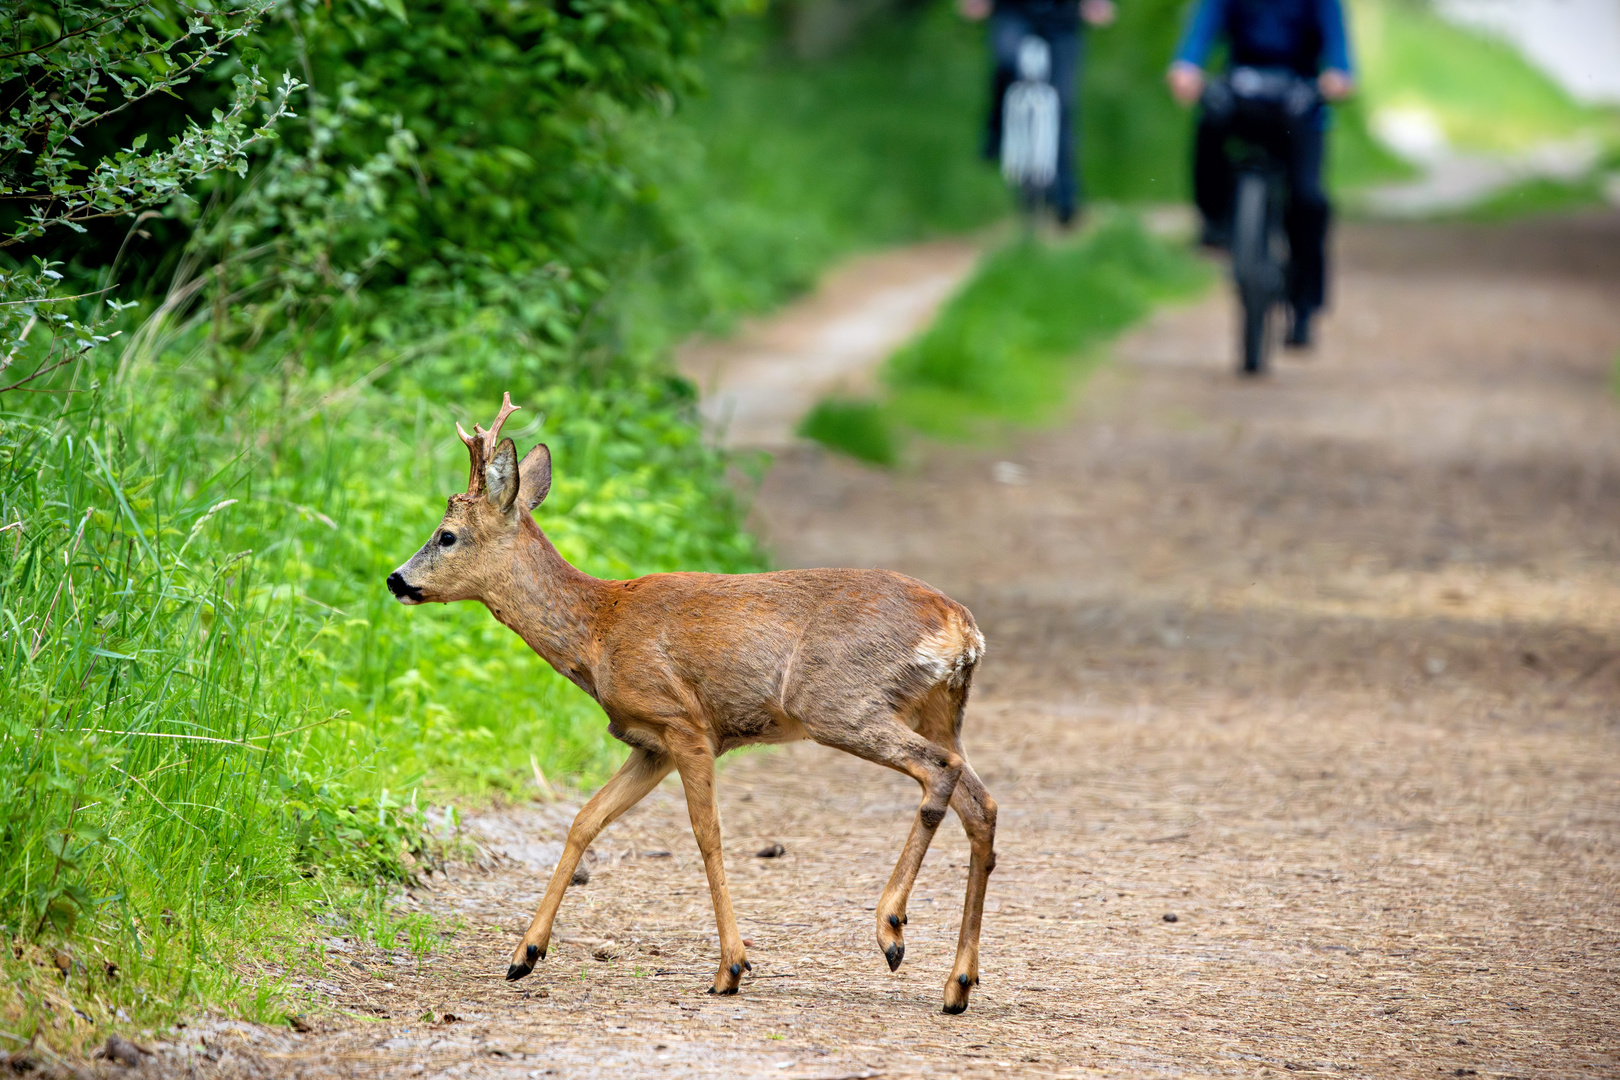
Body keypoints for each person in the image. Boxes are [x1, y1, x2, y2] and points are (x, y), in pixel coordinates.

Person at [1166, 0, 1355, 347]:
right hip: (1245, 92)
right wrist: (1186, 66)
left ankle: (1304, 305)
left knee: (1308, 199)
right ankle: (1214, 220)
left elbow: (1340, 54)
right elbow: (1201, 30)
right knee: (1210, 120)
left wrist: (1338, 76)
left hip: (1300, 100)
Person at [961, 0, 1118, 225]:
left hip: (1063, 16)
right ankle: (995, 133)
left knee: (1062, 102)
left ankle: (1066, 197)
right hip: (1014, 12)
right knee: (1008, 65)